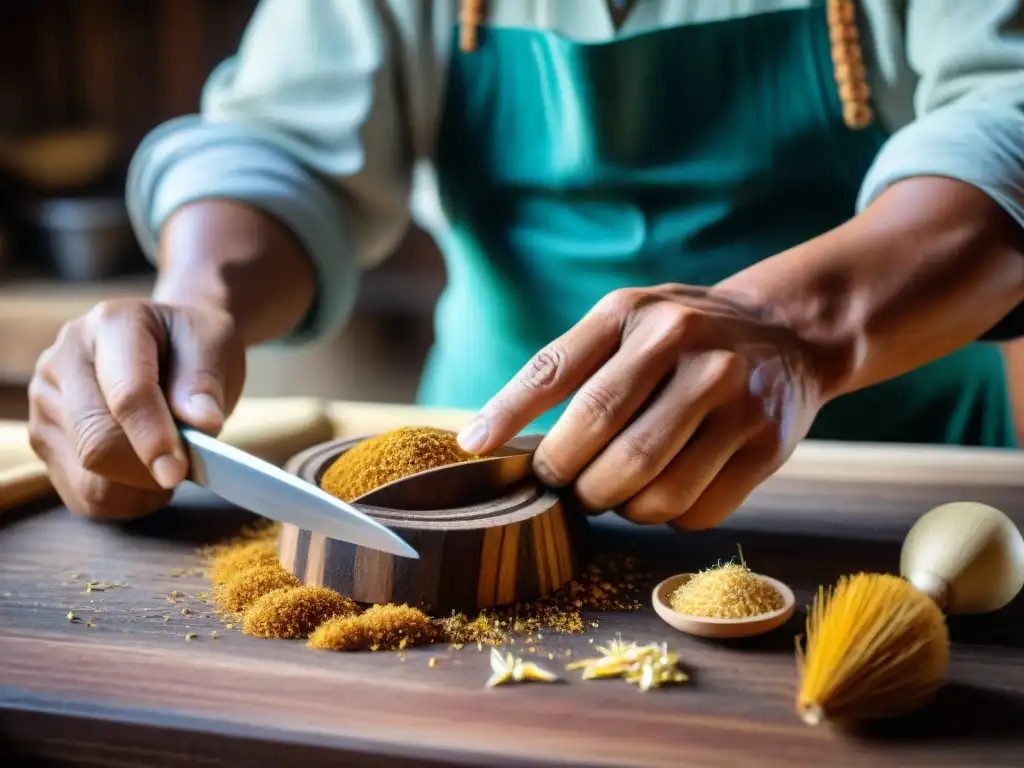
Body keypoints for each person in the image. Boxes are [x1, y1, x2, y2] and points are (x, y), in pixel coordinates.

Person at [28, 0, 1024, 531]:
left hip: (890, 470)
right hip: (484, 467)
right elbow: (282, 145)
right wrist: (192, 307)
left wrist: (799, 333)